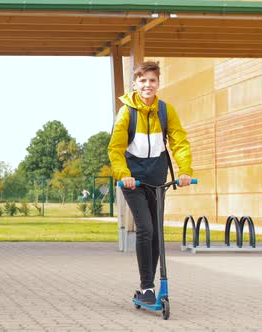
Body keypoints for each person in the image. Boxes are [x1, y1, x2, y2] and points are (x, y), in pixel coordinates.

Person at [108, 61, 192, 304]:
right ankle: (146, 287)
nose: (148, 85)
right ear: (135, 84)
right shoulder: (126, 112)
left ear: (158, 83)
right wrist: (124, 174)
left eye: (152, 80)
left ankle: (151, 286)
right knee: (145, 228)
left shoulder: (166, 111)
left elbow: (179, 142)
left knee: (156, 233)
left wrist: (184, 170)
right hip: (133, 180)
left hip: (157, 179)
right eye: (143, 81)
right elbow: (116, 148)